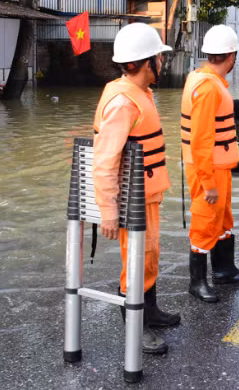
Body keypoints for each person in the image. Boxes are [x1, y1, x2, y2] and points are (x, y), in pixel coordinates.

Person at [93, 23, 180, 354]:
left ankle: (151, 311)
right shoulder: (123, 103)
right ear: (148, 62)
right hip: (131, 200)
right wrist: (109, 211)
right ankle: (136, 326)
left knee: (150, 255)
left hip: (147, 195)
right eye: (159, 56)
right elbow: (104, 161)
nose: (162, 61)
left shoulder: (141, 93)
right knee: (136, 261)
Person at [180, 25, 239, 303]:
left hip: (218, 166)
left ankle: (224, 270)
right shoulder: (208, 88)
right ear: (231, 56)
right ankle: (196, 282)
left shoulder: (202, 79)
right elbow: (200, 140)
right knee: (204, 219)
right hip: (207, 168)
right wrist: (208, 182)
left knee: (222, 219)